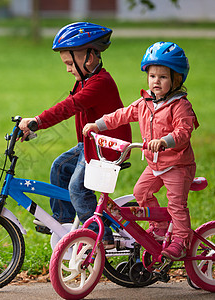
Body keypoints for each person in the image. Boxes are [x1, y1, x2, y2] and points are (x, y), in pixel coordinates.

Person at [19, 22, 132, 249]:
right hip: (89, 144)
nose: (68, 69)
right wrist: (35, 121)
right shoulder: (85, 80)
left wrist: (37, 122)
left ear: (89, 58)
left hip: (107, 147)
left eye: (70, 63)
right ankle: (66, 222)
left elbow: (69, 106)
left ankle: (99, 234)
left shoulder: (100, 83)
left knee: (77, 187)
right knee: (59, 168)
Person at [83, 41, 199, 260]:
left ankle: (182, 241)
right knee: (141, 193)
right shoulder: (145, 103)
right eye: (152, 76)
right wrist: (97, 125)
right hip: (155, 164)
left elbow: (184, 132)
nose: (156, 81)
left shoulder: (180, 105)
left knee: (176, 204)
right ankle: (159, 227)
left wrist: (165, 141)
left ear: (176, 80)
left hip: (177, 165)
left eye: (163, 77)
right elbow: (121, 115)